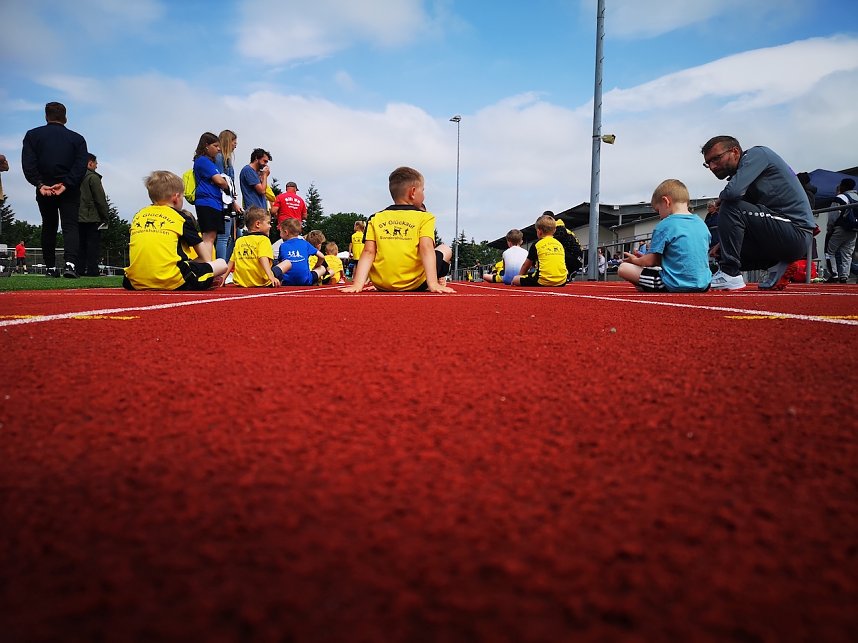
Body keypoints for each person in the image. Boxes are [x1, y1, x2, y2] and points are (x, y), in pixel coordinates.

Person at [701, 135, 814, 290]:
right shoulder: (745, 178)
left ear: (735, 152)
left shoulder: (758, 154)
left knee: (730, 204)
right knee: (723, 251)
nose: (712, 167)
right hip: (780, 233)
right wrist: (723, 244)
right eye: (708, 163)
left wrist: (721, 199)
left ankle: (729, 273)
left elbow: (732, 193)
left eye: (716, 158)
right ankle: (776, 265)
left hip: (796, 232)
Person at [343, 166, 455, 294]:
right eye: (423, 191)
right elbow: (426, 248)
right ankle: (438, 280)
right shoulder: (425, 217)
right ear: (413, 192)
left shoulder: (375, 218)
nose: (424, 196)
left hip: (382, 284)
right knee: (445, 249)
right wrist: (432, 283)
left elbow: (368, 252)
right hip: (415, 284)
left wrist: (358, 284)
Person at [123, 170, 228, 291]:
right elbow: (206, 258)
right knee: (221, 263)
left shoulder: (138, 216)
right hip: (173, 280)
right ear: (176, 198)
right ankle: (205, 279)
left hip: (133, 281)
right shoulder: (181, 218)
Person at [21, 101, 88, 278]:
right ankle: (70, 264)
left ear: (46, 116)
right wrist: (66, 184)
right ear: (65, 118)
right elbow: (80, 166)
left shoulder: (33, 135)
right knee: (70, 225)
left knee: (49, 225)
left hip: (45, 187)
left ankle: (50, 267)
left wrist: (40, 184)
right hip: (69, 189)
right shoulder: (77, 139)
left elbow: (28, 163)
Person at [618, 179, 711, 292]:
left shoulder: (665, 224)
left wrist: (635, 260)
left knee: (623, 268)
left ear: (666, 201)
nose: (660, 216)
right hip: (703, 284)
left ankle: (647, 285)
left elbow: (651, 261)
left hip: (673, 284)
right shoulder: (701, 224)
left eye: (658, 210)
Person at [192, 132, 230, 259]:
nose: (219, 149)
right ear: (206, 146)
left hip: (213, 202)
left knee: (210, 237)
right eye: (216, 146)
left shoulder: (208, 162)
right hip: (208, 202)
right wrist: (227, 185)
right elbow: (219, 181)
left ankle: (204, 264)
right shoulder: (203, 161)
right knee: (209, 238)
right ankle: (206, 266)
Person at [227, 206, 278, 288]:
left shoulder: (239, 240)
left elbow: (231, 261)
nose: (270, 226)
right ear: (257, 224)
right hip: (260, 281)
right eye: (268, 223)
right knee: (286, 263)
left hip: (242, 282)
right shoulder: (263, 239)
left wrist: (223, 277)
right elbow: (263, 258)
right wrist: (271, 276)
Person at [512, 214, 567, 287]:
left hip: (542, 280)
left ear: (539, 231)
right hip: (562, 281)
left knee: (515, 279)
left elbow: (526, 265)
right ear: (554, 230)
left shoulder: (537, 244)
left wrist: (519, 276)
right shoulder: (559, 244)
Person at [77, 153, 109, 277]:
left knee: (80, 245)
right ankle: (92, 270)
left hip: (77, 216)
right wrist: (105, 217)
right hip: (92, 217)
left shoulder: (75, 176)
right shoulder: (93, 178)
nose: (96, 166)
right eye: (95, 163)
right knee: (93, 245)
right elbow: (100, 199)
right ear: (90, 163)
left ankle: (79, 269)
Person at [273, 218, 328, 286]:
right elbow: (322, 256)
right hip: (305, 280)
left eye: (280, 232)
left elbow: (280, 262)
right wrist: (317, 266)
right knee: (322, 268)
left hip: (287, 281)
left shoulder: (283, 245)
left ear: (286, 232)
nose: (280, 235)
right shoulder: (305, 243)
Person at [824, 178, 858, 284]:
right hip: (854, 229)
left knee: (829, 251)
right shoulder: (856, 197)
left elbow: (833, 215)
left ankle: (834, 274)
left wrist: (830, 228)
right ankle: (844, 276)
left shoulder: (841, 197)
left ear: (843, 186)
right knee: (847, 254)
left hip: (840, 228)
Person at [214, 129, 240, 263]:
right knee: (223, 237)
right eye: (234, 141)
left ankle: (225, 264)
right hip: (224, 202)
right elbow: (222, 181)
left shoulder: (227, 159)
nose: (236, 144)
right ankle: (221, 266)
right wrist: (232, 201)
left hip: (229, 200)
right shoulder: (220, 158)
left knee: (237, 236)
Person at [239, 148, 271, 216]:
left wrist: (262, 176)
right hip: (254, 211)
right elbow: (262, 190)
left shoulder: (255, 173)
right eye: (264, 161)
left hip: (260, 210)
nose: (265, 164)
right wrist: (265, 175)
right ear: (256, 158)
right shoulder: (248, 170)